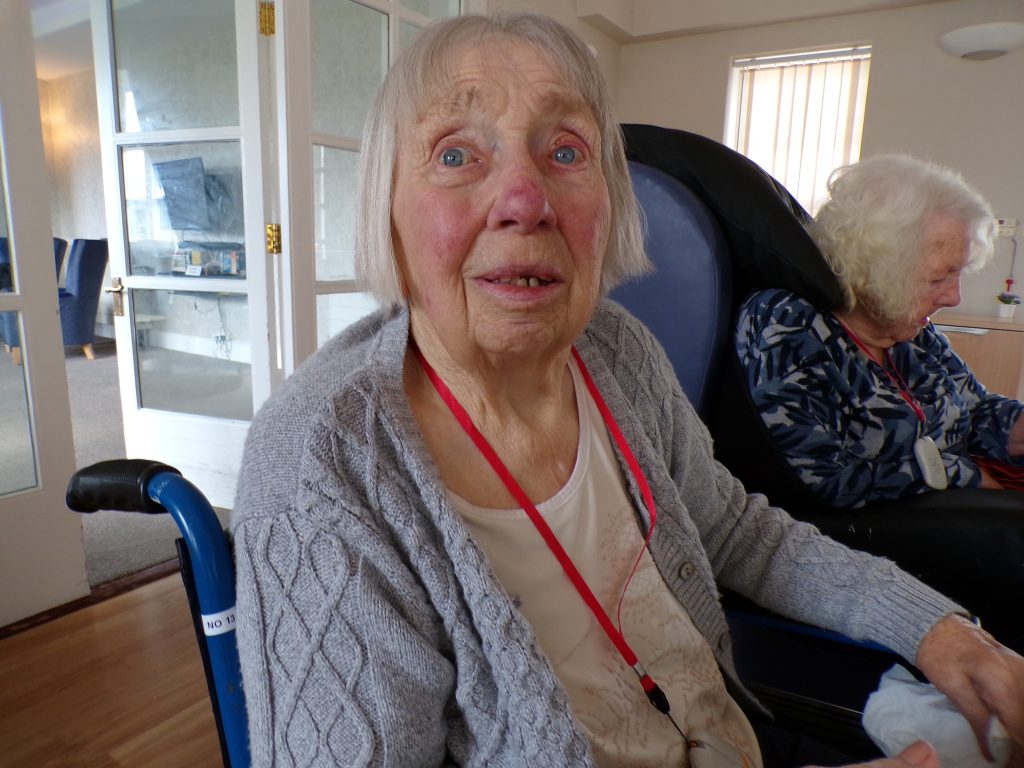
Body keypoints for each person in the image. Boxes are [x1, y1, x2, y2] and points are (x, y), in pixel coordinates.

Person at [232, 14, 1024, 768]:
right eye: (454, 154)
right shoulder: (323, 460)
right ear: (387, 211)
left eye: (567, 151)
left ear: (608, 203)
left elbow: (743, 534)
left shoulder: (614, 350)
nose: (525, 200)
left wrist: (934, 628)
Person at [736, 154, 1024, 508]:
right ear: (871, 268)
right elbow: (820, 481)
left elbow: (975, 410)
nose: (954, 296)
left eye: (957, 273)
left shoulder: (910, 330)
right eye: (937, 278)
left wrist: (1017, 426)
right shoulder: (789, 324)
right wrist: (964, 475)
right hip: (870, 539)